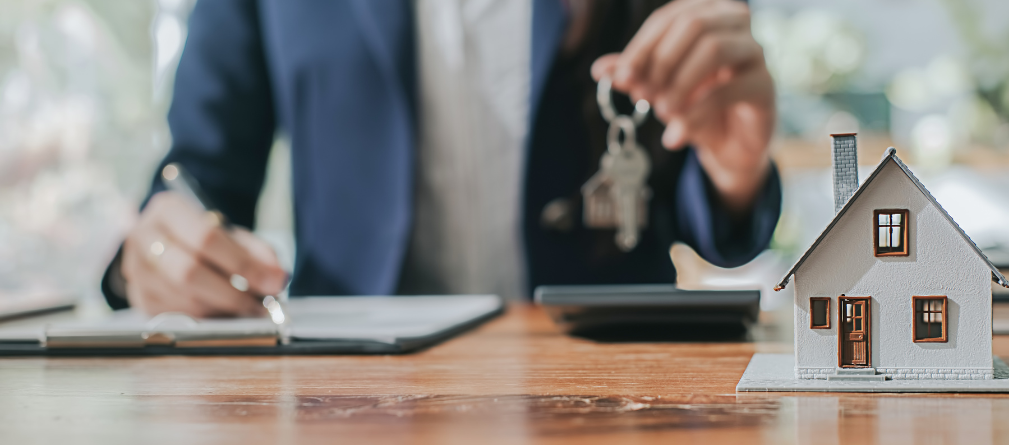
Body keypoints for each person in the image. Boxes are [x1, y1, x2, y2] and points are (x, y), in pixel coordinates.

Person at [102, 0, 781, 318]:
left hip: (614, 386)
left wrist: (735, 170)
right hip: (348, 392)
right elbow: (199, 181)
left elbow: (694, 204)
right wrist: (162, 252)